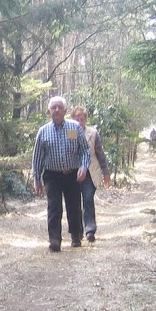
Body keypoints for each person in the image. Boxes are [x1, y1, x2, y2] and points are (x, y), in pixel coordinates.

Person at [32, 96, 90, 252]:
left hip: (72, 174)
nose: (56, 110)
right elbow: (37, 158)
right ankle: (55, 239)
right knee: (54, 208)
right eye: (53, 108)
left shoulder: (74, 127)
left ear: (65, 110)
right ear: (49, 111)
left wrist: (83, 167)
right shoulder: (43, 131)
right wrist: (37, 179)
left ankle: (76, 236)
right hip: (52, 175)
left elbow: (84, 150)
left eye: (59, 107)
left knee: (74, 206)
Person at [70, 107, 111, 243]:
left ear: (86, 120)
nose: (79, 122)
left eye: (82, 119)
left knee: (88, 199)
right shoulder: (70, 132)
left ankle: (90, 229)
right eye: (77, 119)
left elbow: (100, 154)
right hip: (73, 173)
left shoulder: (93, 133)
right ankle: (77, 232)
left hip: (90, 173)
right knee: (75, 202)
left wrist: (105, 173)